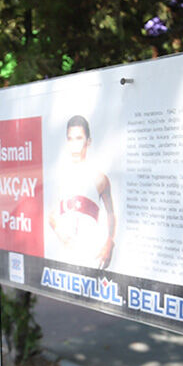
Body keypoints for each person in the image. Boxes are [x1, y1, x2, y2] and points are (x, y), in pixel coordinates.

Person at [47, 114, 117, 268]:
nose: (74, 144)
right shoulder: (60, 176)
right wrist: (60, 233)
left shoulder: (99, 178)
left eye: (79, 138)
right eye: (70, 139)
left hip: (92, 255)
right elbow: (51, 215)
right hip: (66, 256)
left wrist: (109, 243)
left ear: (88, 141)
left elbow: (111, 213)